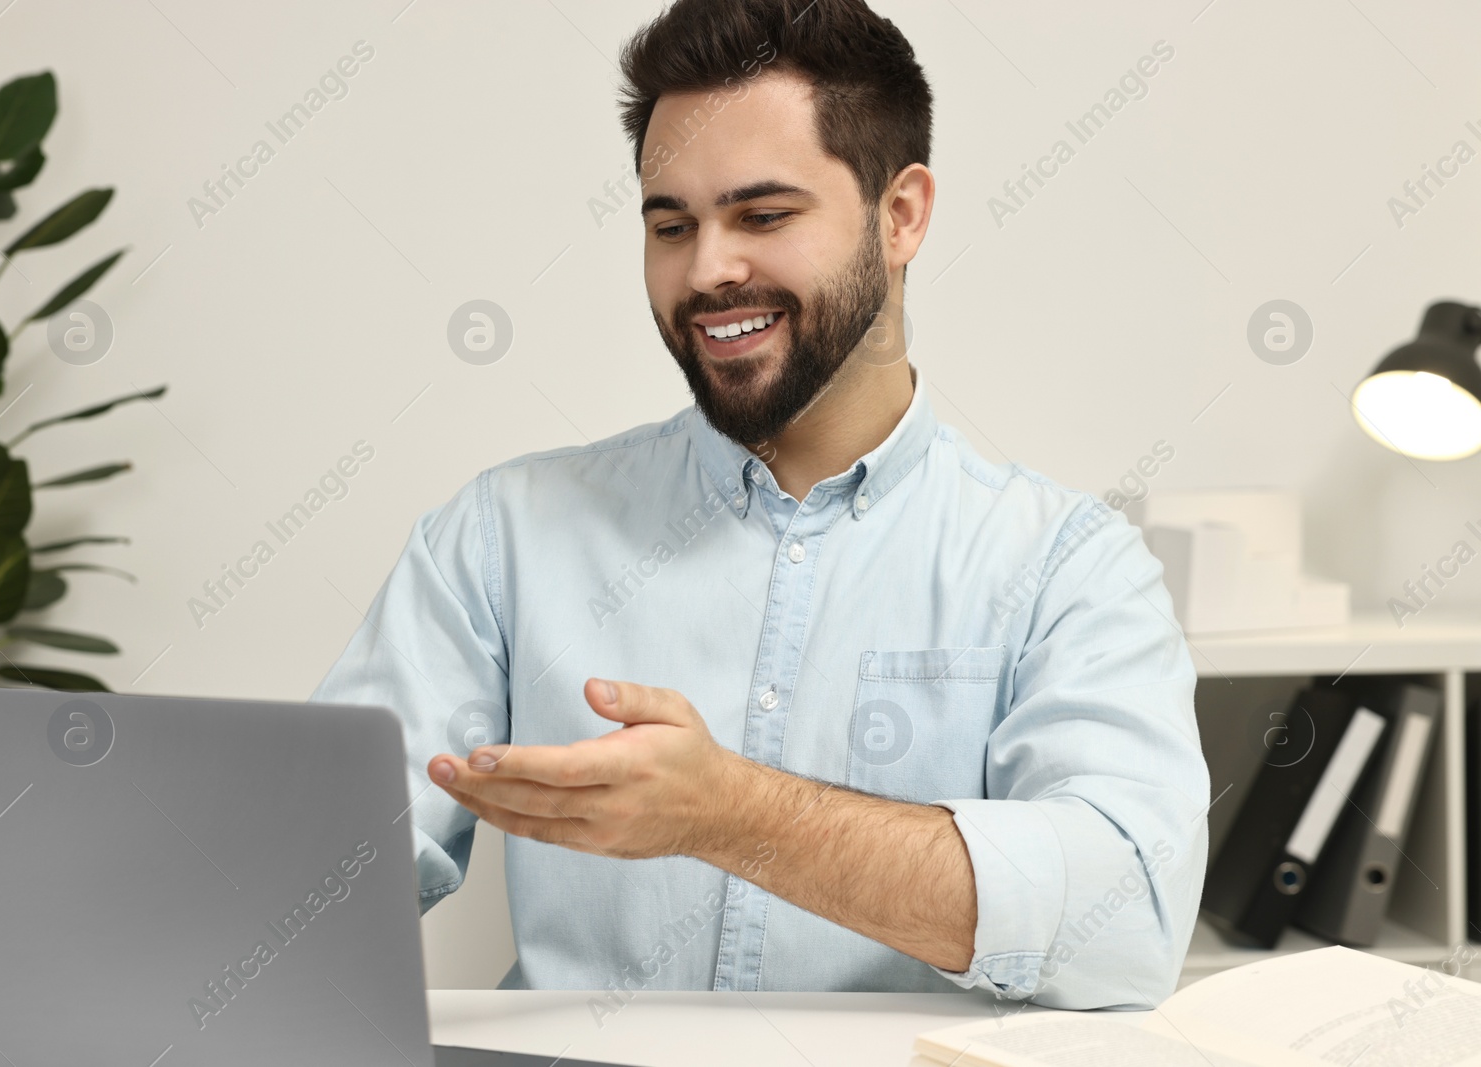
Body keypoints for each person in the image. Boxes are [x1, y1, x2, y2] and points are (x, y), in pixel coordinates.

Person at [312, 0, 1209, 1010]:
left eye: (763, 215)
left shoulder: (1062, 564)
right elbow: (319, 862)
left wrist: (734, 814)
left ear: (901, 214)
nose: (705, 271)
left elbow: (1127, 918)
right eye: (670, 224)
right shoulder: (500, 535)